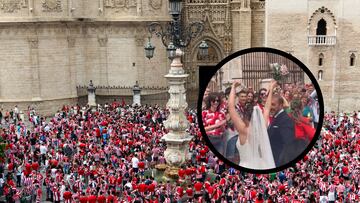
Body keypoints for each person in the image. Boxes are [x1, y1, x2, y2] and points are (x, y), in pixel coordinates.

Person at [227, 80, 276, 169]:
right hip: (262, 165)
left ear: (245, 116)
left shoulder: (243, 129)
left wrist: (233, 87)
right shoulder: (262, 127)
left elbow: (230, 107)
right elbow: (267, 108)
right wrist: (271, 89)